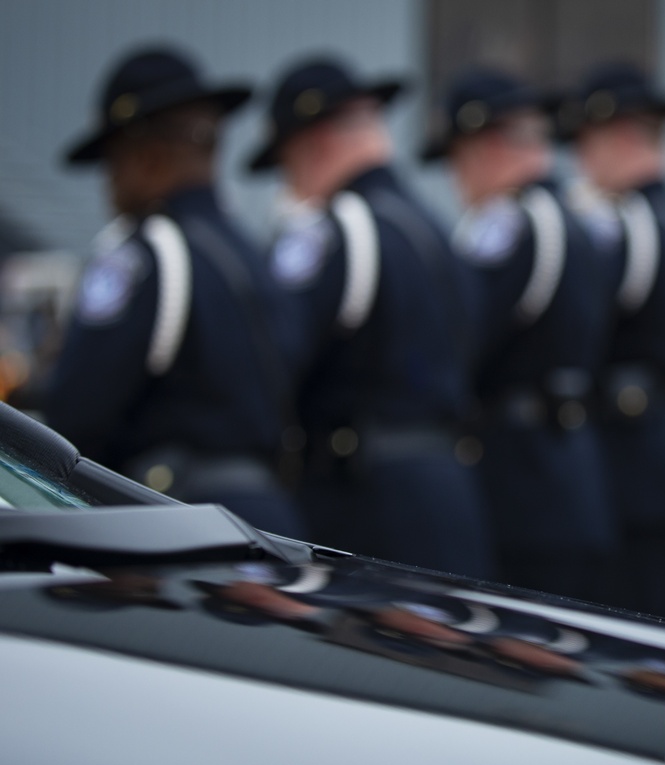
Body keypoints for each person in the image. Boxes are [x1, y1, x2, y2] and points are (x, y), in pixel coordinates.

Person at [245, 56, 494, 579]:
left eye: (288, 165)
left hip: (365, 500)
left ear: (314, 144)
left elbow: (271, 357)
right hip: (447, 488)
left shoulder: (332, 228)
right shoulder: (432, 229)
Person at [46, 45, 304, 538]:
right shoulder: (254, 256)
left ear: (146, 156)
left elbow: (75, 414)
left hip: (174, 523)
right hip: (273, 523)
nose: (110, 184)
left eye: (112, 162)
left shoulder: (141, 255)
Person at [420, 66, 617, 602]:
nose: (459, 181)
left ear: (484, 146)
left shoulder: (508, 221)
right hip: (572, 468)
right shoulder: (577, 216)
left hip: (523, 477)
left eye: (458, 161)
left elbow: (468, 337)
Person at [557, 63, 665, 625]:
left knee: (634, 642)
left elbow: (581, 330)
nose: (581, 162)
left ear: (621, 137)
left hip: (633, 465)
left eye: (586, 144)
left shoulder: (623, 221)